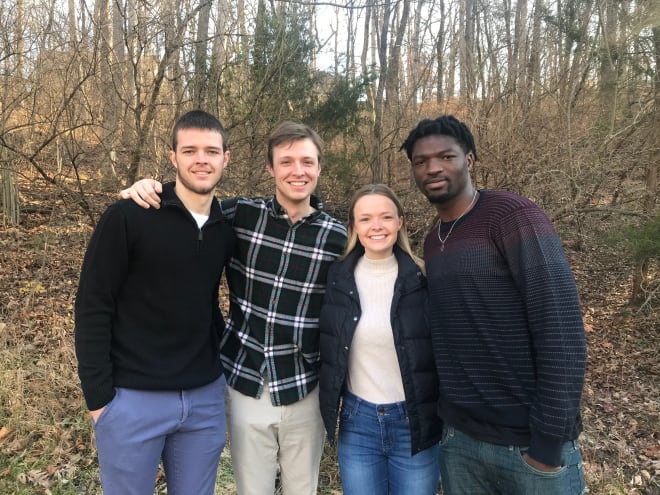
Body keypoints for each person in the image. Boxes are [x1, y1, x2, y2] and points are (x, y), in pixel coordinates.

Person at [121, 121, 348, 495]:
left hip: (305, 386)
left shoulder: (337, 237)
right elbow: (187, 206)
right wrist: (149, 189)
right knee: (251, 489)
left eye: (307, 161)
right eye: (286, 161)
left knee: (302, 489)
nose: (298, 170)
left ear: (319, 168)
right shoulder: (240, 215)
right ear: (270, 169)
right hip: (247, 382)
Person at [400, 115, 588, 494]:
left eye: (445, 157)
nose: (433, 167)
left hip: (527, 448)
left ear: (469, 160)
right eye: (421, 161)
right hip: (460, 443)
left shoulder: (513, 217)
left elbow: (562, 328)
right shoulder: (433, 241)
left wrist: (547, 444)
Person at [75, 110, 234, 495]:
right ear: (172, 157)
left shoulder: (225, 226)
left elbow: (205, 300)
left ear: (225, 159)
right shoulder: (129, 216)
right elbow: (93, 304)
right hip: (133, 401)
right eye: (190, 150)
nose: (202, 159)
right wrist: (100, 401)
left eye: (211, 151)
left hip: (203, 401)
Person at [318, 184, 442, 494]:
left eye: (386, 217)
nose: (376, 226)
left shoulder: (424, 278)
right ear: (354, 226)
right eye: (366, 218)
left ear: (400, 222)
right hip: (358, 422)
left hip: (414, 422)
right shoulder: (336, 279)